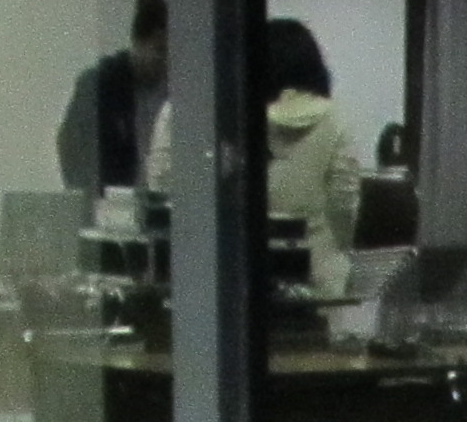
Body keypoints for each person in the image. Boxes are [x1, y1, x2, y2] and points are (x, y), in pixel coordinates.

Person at [146, 17, 360, 293]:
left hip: (227, 276)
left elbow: (162, 184)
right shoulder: (335, 120)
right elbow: (345, 205)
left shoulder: (219, 116)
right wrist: (337, 246)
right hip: (317, 277)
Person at [55, 0, 167, 195]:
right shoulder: (100, 85)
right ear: (138, 42)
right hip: (113, 201)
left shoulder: (174, 92)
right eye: (160, 50)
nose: (166, 61)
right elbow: (69, 145)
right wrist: (87, 197)